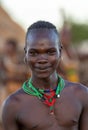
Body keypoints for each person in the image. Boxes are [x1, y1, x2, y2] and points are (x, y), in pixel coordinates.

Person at [2, 21, 88, 130]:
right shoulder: (13, 105)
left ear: (60, 52)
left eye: (50, 52)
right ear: (25, 54)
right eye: (34, 53)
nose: (42, 60)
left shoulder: (81, 95)